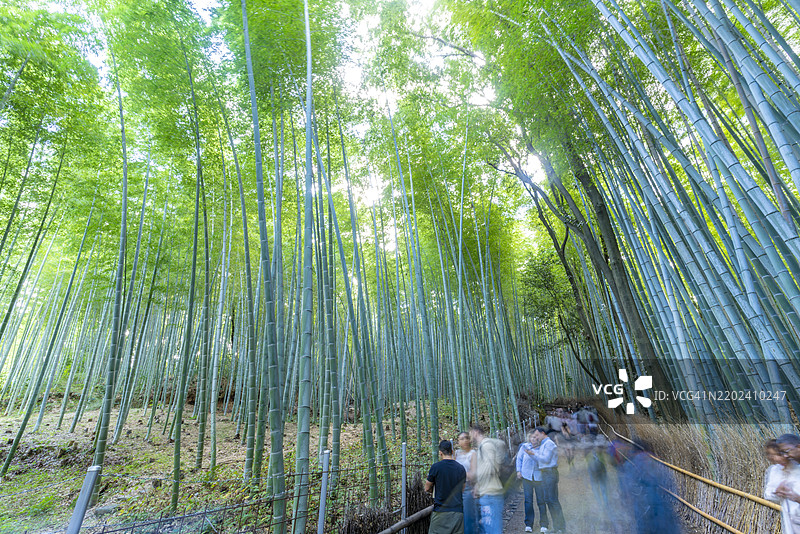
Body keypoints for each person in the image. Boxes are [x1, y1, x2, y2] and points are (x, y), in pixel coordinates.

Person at [525, 427, 566, 533]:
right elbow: (540, 460)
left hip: (550, 473)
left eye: (537, 435)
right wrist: (531, 454)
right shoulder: (544, 444)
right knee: (548, 500)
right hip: (545, 473)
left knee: (552, 500)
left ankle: (561, 527)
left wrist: (533, 453)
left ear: (543, 433)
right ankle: (557, 527)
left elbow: (546, 459)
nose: (536, 438)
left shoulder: (549, 444)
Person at [469, 424, 505, 534]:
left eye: (470, 433)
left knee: (492, 528)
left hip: (491, 493)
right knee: (489, 527)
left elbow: (491, 467)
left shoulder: (486, 446)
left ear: (475, 432)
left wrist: (474, 476)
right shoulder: (483, 446)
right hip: (487, 492)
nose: (469, 436)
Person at [426, 440, 467, 534]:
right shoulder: (461, 468)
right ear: (452, 451)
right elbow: (462, 489)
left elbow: (427, 488)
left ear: (440, 453)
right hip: (457, 512)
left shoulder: (436, 467)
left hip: (440, 513)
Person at [768, 434, 800, 533]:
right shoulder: (777, 470)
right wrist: (777, 492)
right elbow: (769, 494)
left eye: (786, 451)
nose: (785, 456)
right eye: (782, 453)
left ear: (798, 447)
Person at [517, 429, 546, 532]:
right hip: (527, 476)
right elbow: (519, 459)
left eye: (536, 437)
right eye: (532, 437)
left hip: (539, 477)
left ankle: (544, 524)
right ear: (529, 438)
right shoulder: (524, 447)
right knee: (528, 501)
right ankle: (529, 524)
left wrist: (531, 454)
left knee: (541, 501)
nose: (534, 439)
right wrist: (518, 471)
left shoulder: (543, 448)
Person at [455, 432, 478, 534]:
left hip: (467, 488)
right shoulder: (456, 454)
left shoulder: (473, 453)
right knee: (457, 519)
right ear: (458, 442)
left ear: (469, 440)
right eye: (461, 439)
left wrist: (459, 472)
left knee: (468, 519)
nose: (464, 440)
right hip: (455, 489)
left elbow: (473, 474)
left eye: (466, 438)